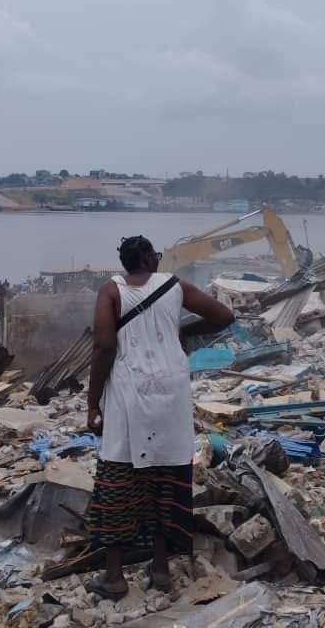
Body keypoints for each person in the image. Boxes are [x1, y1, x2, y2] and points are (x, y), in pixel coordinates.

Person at [84, 235, 234, 600]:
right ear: (151, 259)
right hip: (171, 392)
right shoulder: (175, 285)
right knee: (167, 477)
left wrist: (92, 403)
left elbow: (104, 344)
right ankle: (162, 569)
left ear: (124, 262)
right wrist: (181, 329)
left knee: (118, 480)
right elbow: (224, 316)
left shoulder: (111, 291)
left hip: (127, 393)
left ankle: (115, 577)